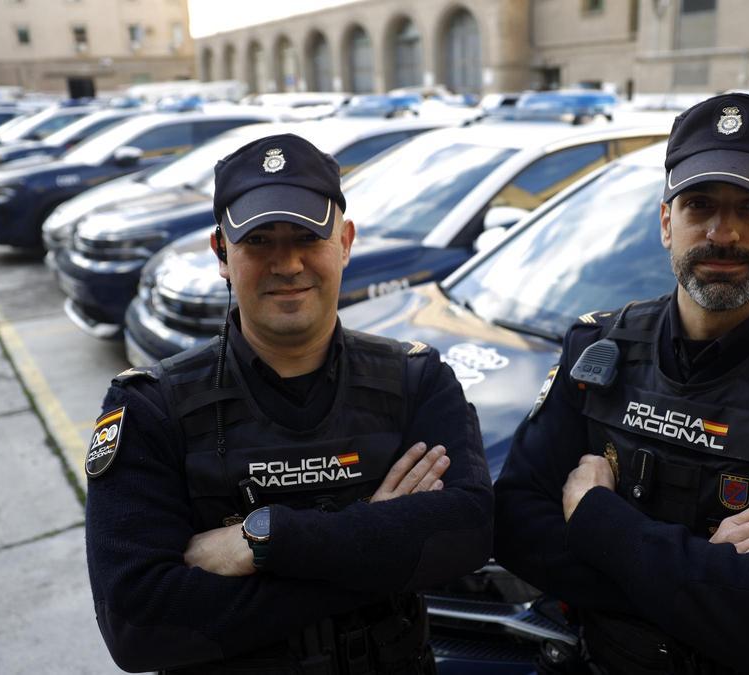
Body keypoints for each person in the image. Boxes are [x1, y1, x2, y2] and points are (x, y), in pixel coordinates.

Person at [493, 93, 749, 674]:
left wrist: (596, 518)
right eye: (699, 204)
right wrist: (706, 583)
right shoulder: (597, 349)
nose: (722, 232)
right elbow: (513, 526)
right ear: (668, 221)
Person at [84, 134, 493, 674]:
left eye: (307, 235)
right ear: (222, 253)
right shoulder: (152, 408)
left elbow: (468, 536)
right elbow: (139, 628)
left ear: (344, 242)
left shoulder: (417, 378)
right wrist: (378, 540)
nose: (289, 263)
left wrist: (267, 539)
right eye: (259, 241)